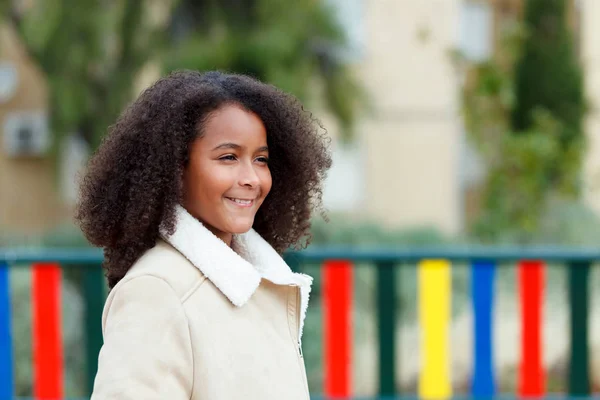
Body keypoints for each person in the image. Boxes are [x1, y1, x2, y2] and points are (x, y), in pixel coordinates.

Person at [75, 70, 332, 399]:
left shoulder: (261, 280)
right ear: (174, 168)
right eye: (228, 157)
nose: (252, 178)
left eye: (261, 159)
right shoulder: (157, 291)